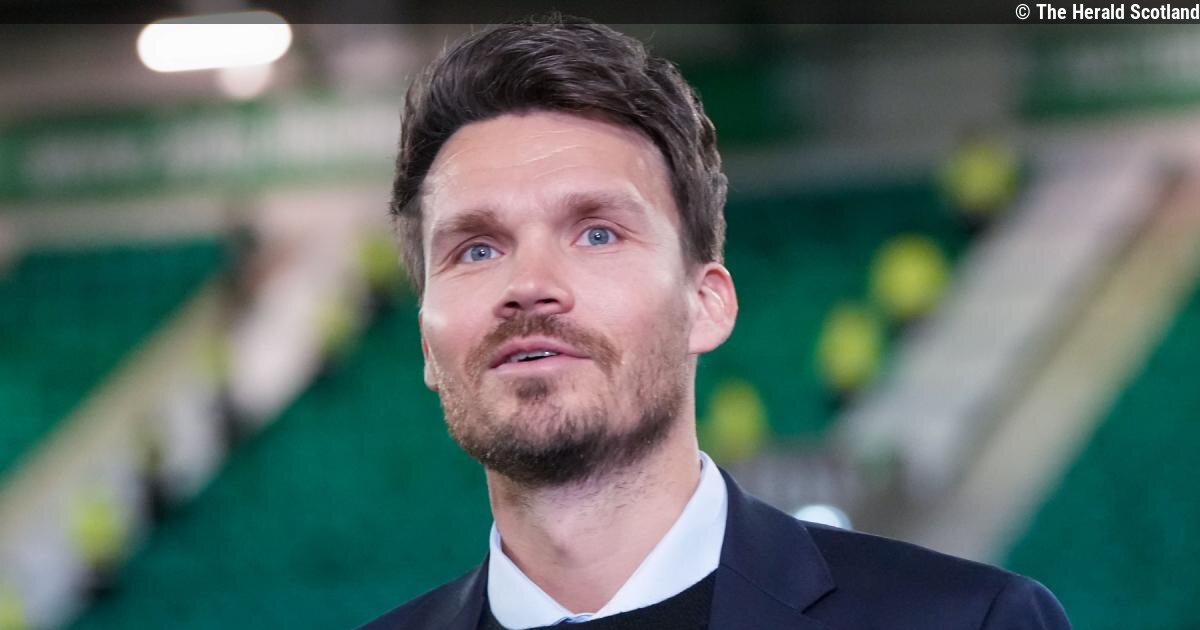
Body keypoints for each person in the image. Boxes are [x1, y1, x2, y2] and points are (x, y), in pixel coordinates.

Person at [362, 16, 1070, 630]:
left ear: (707, 304)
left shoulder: (970, 620)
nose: (529, 286)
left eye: (597, 233)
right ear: (426, 341)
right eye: (476, 249)